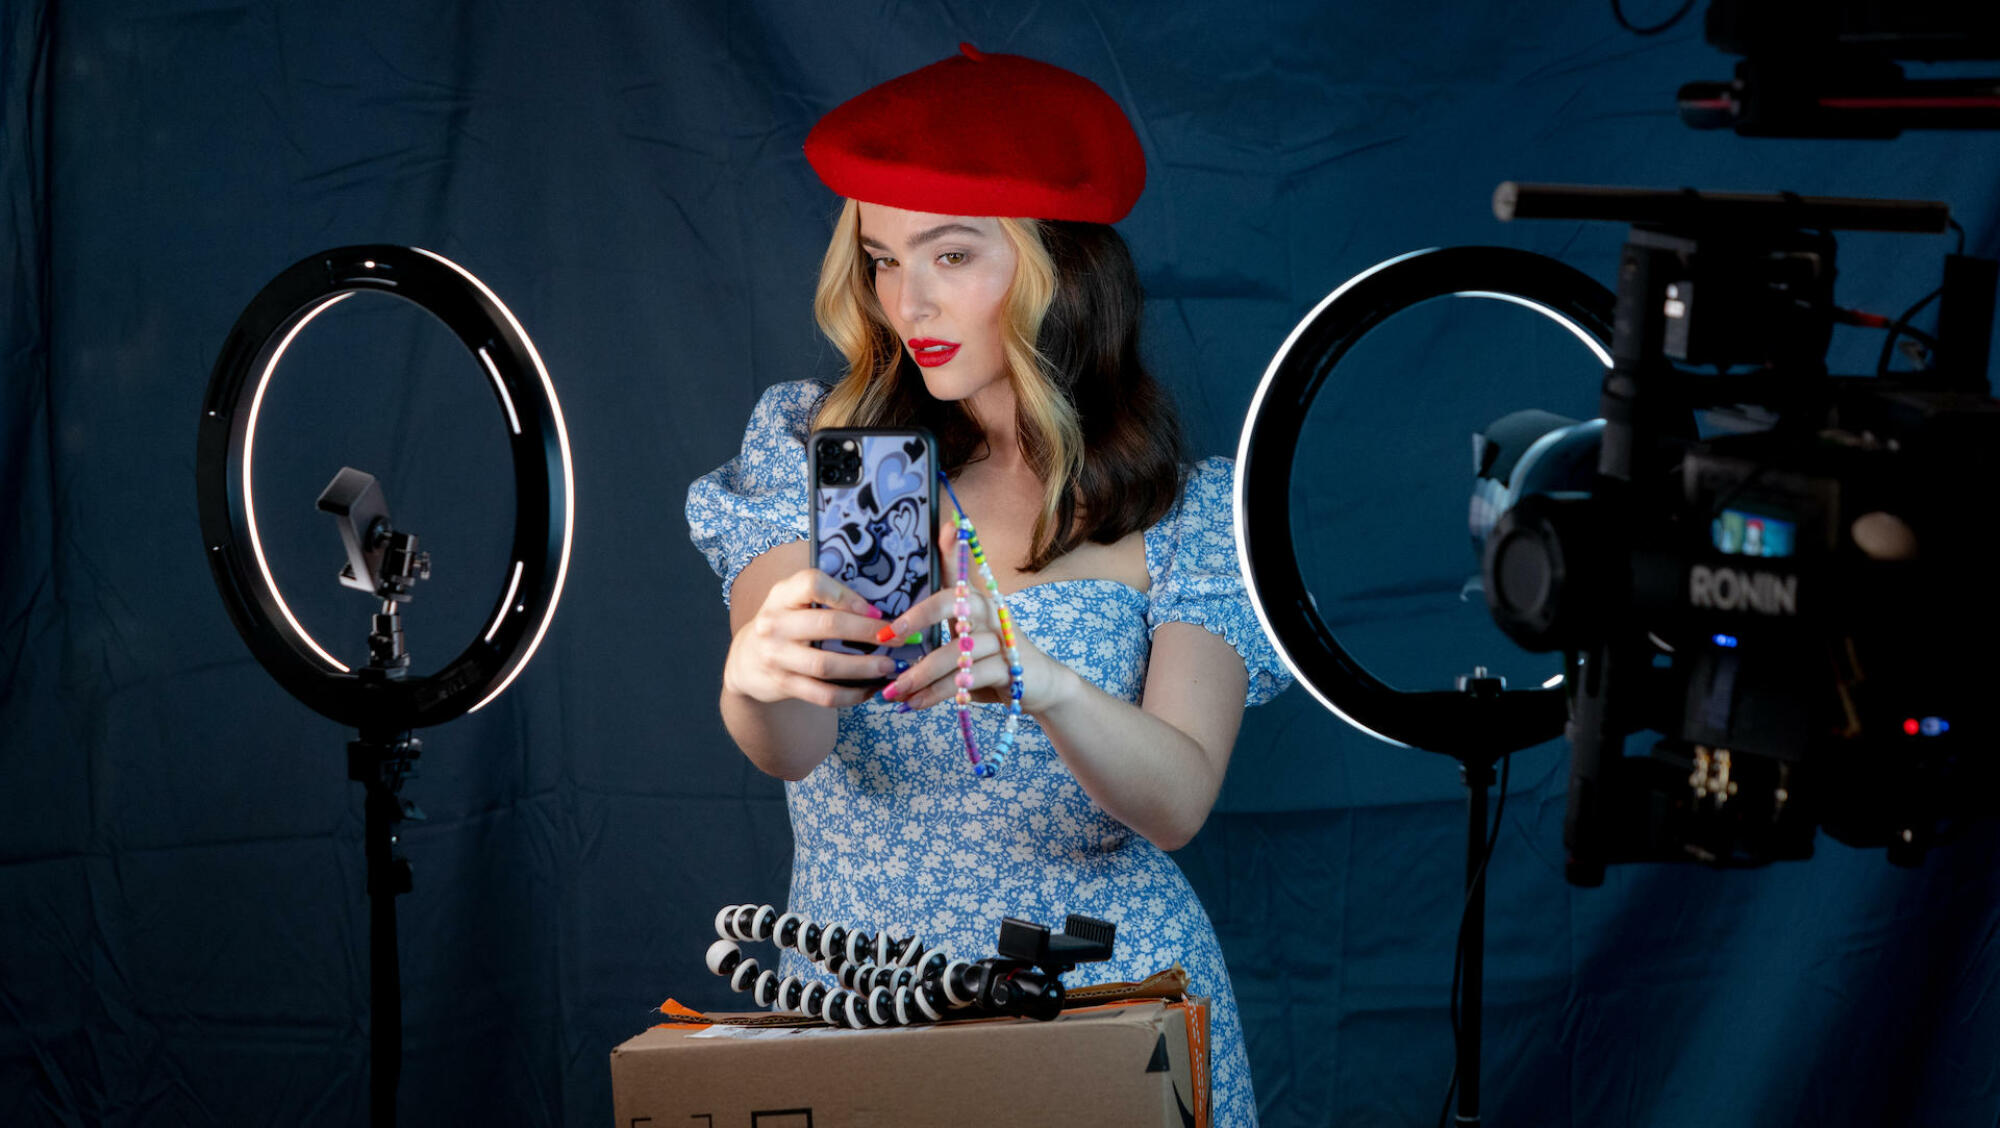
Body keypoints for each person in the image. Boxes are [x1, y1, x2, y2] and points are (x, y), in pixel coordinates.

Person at [686, 44, 1290, 1126]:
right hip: (862, 1015)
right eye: (878, 258)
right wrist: (752, 677)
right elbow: (791, 743)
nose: (902, 299)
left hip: (1110, 1011)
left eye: (949, 256)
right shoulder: (828, 455)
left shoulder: (1182, 511)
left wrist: (1040, 682)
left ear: (1055, 263)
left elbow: (1177, 799)